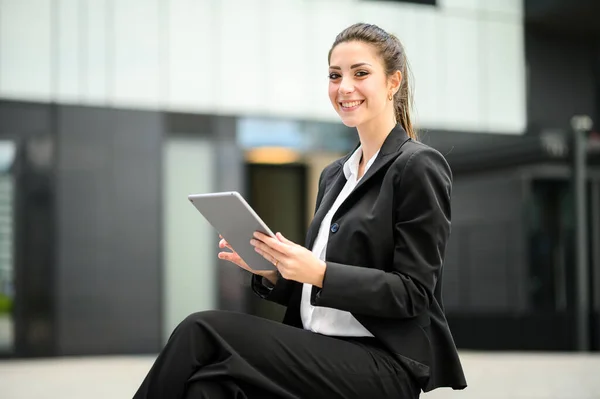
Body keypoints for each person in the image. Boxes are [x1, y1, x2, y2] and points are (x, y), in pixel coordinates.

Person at [133, 22, 467, 399]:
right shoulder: (335, 177)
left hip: (381, 364)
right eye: (335, 75)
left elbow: (415, 294)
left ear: (393, 82)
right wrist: (276, 273)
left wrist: (320, 272)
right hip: (321, 350)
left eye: (361, 73)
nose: (345, 87)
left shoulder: (417, 165)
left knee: (201, 330)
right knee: (208, 388)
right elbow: (322, 298)